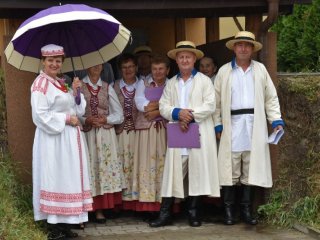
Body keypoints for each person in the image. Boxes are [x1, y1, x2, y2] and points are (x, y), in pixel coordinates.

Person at [213, 31, 285, 226]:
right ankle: (229, 211)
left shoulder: (260, 70)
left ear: (252, 49)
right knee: (230, 168)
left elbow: (271, 97)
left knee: (250, 168)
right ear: (234, 48)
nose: (243, 48)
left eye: (247, 45)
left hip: (254, 124)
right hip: (232, 125)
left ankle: (246, 210)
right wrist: (217, 123)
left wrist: (276, 120)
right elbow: (216, 101)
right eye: (239, 45)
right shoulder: (224, 71)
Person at [149, 41, 220, 228]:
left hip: (197, 130)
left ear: (194, 59)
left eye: (188, 56)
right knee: (173, 172)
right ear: (177, 60)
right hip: (178, 131)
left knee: (197, 171)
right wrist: (177, 113)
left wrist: (189, 115)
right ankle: (165, 214)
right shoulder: (171, 83)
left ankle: (194, 213)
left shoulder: (204, 81)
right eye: (181, 57)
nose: (185, 60)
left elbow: (210, 105)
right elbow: (163, 106)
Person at [31, 44, 93, 240]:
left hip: (69, 140)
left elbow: (79, 110)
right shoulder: (40, 84)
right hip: (53, 141)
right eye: (50, 60)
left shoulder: (61, 82)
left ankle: (65, 225)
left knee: (67, 179)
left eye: (58, 61)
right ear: (43, 61)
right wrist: (66, 119)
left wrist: (76, 92)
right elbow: (39, 115)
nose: (55, 64)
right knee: (55, 177)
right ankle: (54, 228)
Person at [80, 64, 124, 223]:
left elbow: (119, 115)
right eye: (92, 62)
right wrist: (86, 119)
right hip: (87, 134)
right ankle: (85, 210)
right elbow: (73, 110)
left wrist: (106, 119)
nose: (97, 66)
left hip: (105, 135)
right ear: (86, 66)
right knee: (88, 168)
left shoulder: (107, 87)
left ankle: (99, 210)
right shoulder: (78, 86)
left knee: (102, 170)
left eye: (100, 63)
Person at [132, 55, 170, 214]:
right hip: (147, 131)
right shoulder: (143, 83)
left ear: (167, 70)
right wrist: (154, 107)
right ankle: (148, 206)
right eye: (155, 69)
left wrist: (156, 110)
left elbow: (174, 104)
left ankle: (164, 205)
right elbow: (139, 101)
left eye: (161, 69)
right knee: (147, 164)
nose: (158, 72)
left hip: (165, 130)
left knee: (164, 164)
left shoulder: (172, 84)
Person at [113, 53, 140, 209]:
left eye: (130, 66)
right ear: (120, 70)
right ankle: (122, 203)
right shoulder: (114, 86)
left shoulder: (144, 85)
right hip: (120, 133)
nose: (128, 70)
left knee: (137, 165)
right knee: (121, 164)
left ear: (136, 67)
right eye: (124, 67)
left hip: (138, 132)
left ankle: (137, 202)